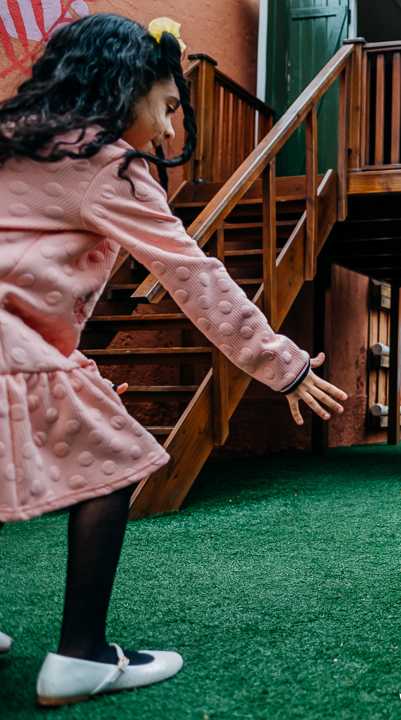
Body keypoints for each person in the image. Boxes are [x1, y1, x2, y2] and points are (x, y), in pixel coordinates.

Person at [0, 14, 348, 705]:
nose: (166, 131)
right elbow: (195, 276)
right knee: (113, 464)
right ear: (125, 88)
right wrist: (282, 364)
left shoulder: (18, 143)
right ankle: (83, 657)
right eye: (165, 107)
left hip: (20, 341)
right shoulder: (107, 163)